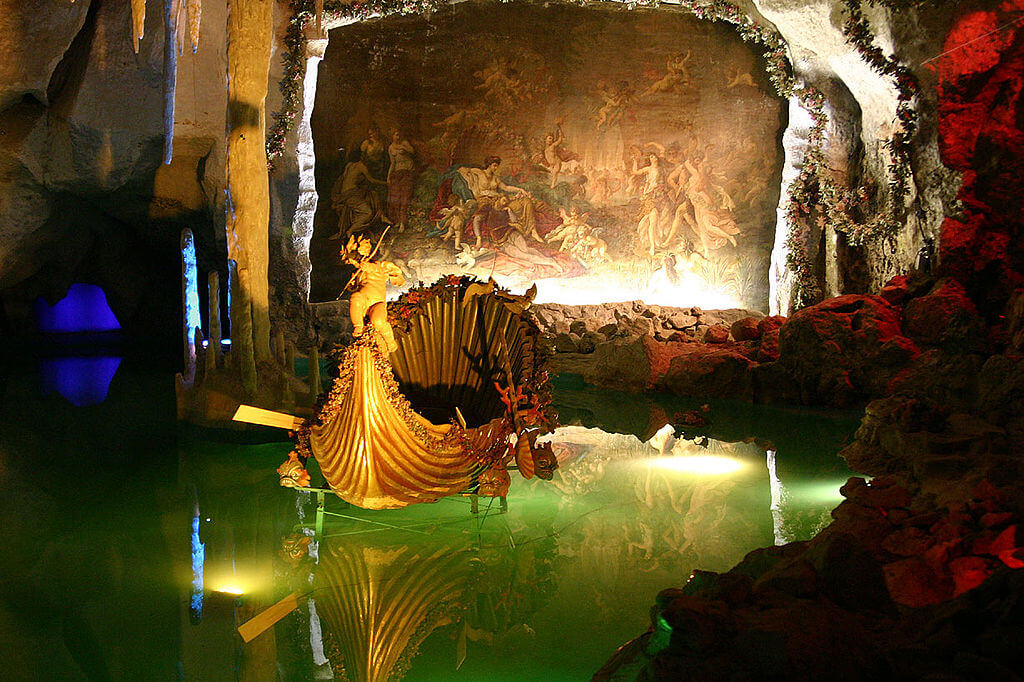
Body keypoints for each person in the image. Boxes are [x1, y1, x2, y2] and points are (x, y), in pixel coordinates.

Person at [341, 234, 405, 352]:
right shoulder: (358, 273)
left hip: (377, 302)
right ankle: (358, 326)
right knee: (355, 297)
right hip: (364, 302)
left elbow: (374, 269)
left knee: (378, 322)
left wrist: (367, 266)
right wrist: (351, 285)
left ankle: (390, 342)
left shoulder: (377, 265)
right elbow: (354, 288)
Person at [328, 153, 390, 240]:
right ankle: (351, 230)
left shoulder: (349, 165)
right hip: (352, 194)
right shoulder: (361, 166)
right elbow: (371, 180)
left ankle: (382, 216)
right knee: (368, 212)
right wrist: (385, 183)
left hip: (346, 193)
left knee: (373, 195)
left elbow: (345, 179)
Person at [386, 129, 416, 232]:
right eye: (396, 135)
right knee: (395, 198)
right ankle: (398, 221)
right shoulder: (390, 148)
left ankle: (403, 223)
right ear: (392, 136)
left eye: (399, 135)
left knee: (404, 198)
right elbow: (392, 163)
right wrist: (388, 176)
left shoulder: (405, 143)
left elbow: (412, 151)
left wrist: (404, 148)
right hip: (397, 174)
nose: (398, 137)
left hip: (407, 173)